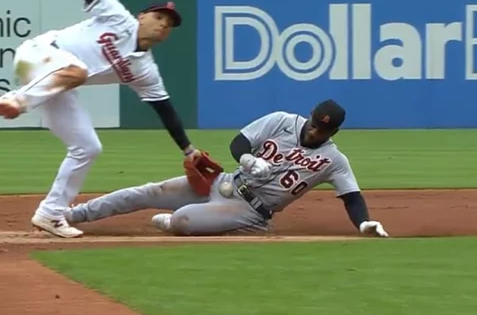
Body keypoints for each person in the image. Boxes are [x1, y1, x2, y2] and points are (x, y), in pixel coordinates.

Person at [0, 0, 209, 239]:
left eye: (168, 24)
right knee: (79, 70)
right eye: (158, 17)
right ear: (142, 16)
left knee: (88, 147)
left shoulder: (145, 71)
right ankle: (17, 100)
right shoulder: (119, 18)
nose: (162, 25)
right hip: (38, 53)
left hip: (56, 84)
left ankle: (50, 214)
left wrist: (189, 149)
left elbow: (164, 109)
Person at [63, 99, 390, 237]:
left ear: (334, 132)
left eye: (324, 130)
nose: (316, 131)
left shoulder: (334, 160)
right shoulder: (281, 121)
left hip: (251, 210)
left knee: (182, 219)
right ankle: (72, 215)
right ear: (311, 116)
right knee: (151, 191)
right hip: (225, 183)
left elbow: (352, 197)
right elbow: (239, 142)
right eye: (316, 124)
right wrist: (248, 159)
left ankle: (224, 225)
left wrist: (364, 224)